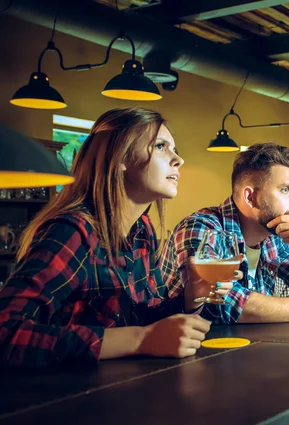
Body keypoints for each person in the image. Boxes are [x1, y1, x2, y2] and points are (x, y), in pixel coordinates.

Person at [0, 108, 226, 367]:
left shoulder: (143, 231)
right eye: (161, 147)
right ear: (120, 158)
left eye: (175, 149)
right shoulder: (73, 231)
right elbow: (6, 332)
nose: (178, 160)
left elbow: (145, 318)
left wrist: (190, 297)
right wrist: (138, 339)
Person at [160, 143, 289, 323]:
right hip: (176, 362)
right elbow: (219, 304)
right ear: (250, 197)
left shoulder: (271, 236)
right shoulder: (203, 228)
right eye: (285, 190)